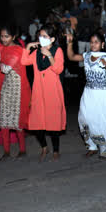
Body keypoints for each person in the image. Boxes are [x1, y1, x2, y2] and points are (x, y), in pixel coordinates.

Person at [0, 26, 31, 160]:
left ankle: (22, 150)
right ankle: (6, 152)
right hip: (6, 85)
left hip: (17, 86)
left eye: (6, 37)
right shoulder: (1, 48)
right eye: (2, 36)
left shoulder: (17, 50)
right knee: (4, 118)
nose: (3, 39)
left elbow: (5, 68)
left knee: (17, 119)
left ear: (14, 37)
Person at [67, 31, 106, 158]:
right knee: (84, 118)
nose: (93, 45)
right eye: (92, 42)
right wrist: (70, 43)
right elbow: (71, 56)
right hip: (88, 93)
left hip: (102, 95)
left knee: (101, 120)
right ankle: (92, 146)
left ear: (102, 44)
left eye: (96, 42)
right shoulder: (87, 56)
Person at [22, 26, 66, 161]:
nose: (41, 39)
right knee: (36, 124)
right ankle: (44, 147)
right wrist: (28, 46)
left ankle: (56, 150)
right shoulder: (36, 52)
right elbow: (24, 61)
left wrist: (49, 55)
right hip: (38, 91)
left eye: (45, 36)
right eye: (40, 36)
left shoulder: (57, 51)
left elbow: (58, 69)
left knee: (53, 123)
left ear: (52, 39)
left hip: (52, 91)